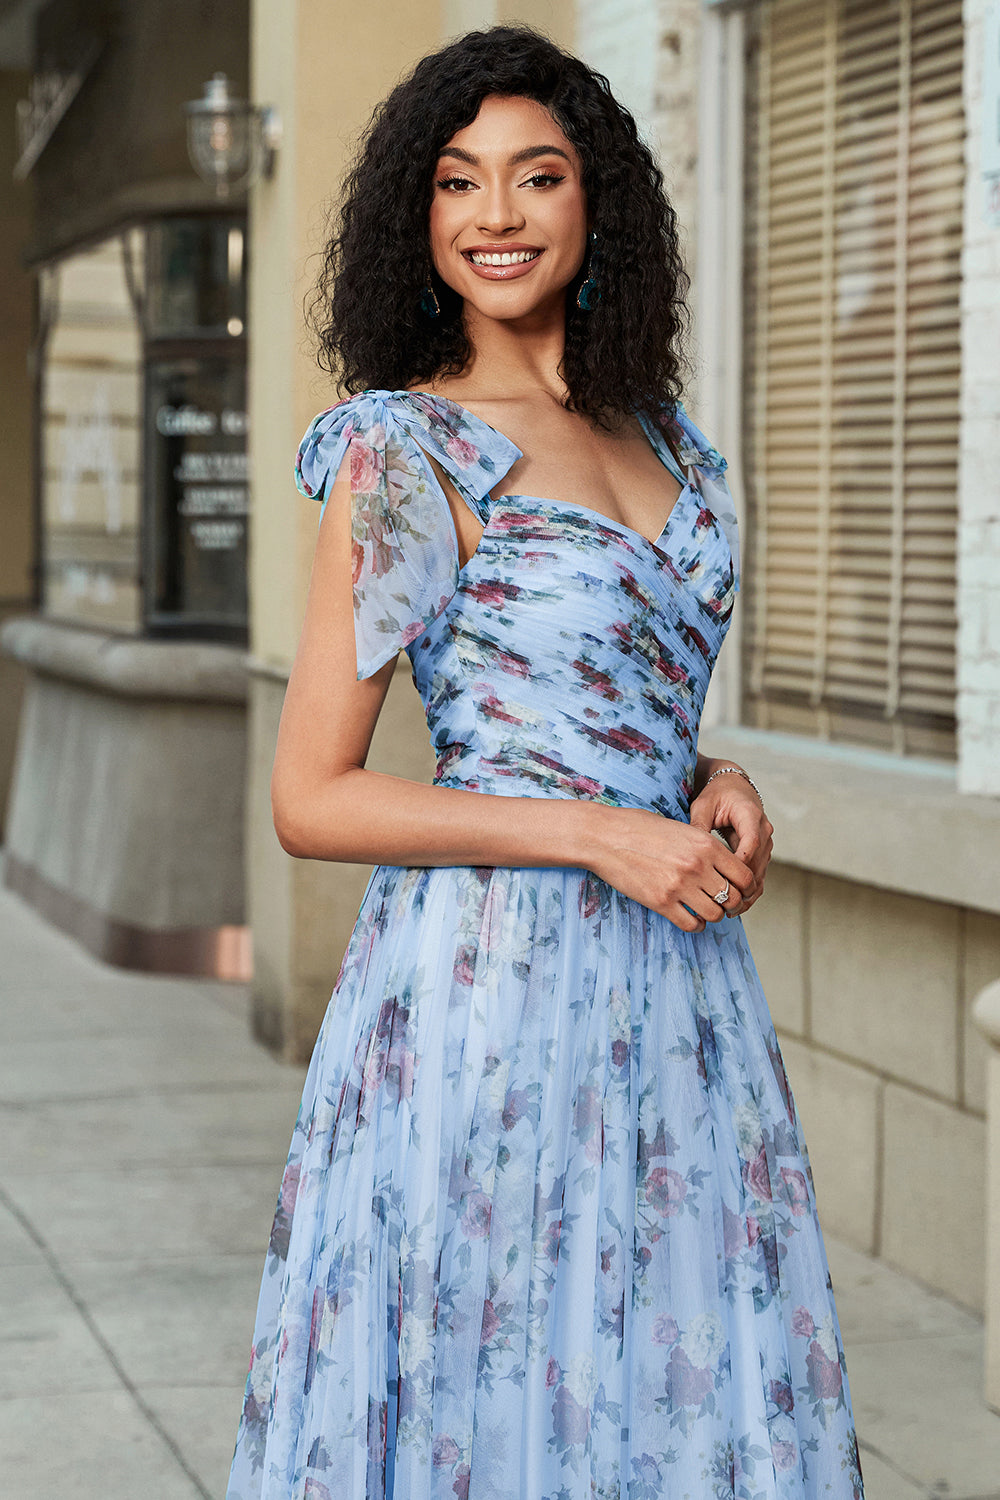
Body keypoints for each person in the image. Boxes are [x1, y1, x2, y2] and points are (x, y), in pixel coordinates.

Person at [226, 24, 865, 1500]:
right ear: (422, 218)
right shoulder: (410, 454)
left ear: (599, 206)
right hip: (483, 998)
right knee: (496, 1377)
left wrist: (709, 780)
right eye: (458, 184)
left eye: (536, 176)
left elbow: (601, 695)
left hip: (679, 1003)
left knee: (679, 1384)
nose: (496, 216)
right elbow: (311, 798)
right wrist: (598, 834)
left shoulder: (677, 449)